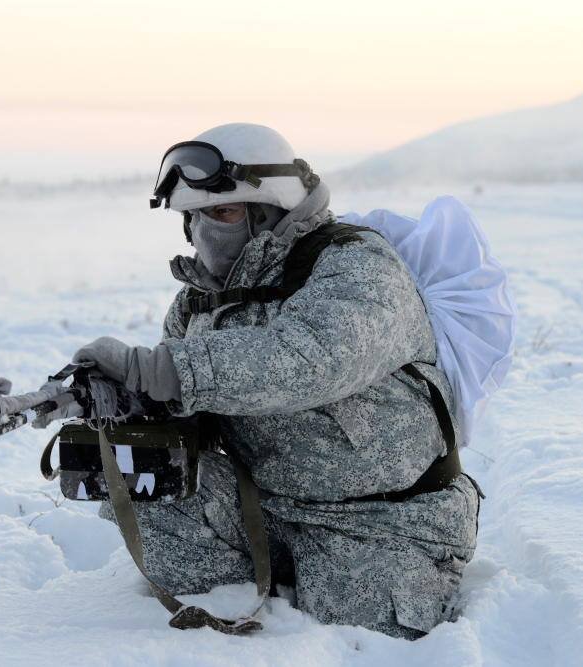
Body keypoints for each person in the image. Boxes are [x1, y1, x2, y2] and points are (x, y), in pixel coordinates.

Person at [70, 123, 481, 639]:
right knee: (141, 485)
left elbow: (308, 359)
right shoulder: (199, 302)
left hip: (385, 522)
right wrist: (125, 402)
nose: (204, 232)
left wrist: (156, 368)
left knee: (357, 640)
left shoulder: (356, 264)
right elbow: (192, 412)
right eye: (193, 217)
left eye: (222, 213)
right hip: (263, 504)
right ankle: (248, 599)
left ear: (270, 211)